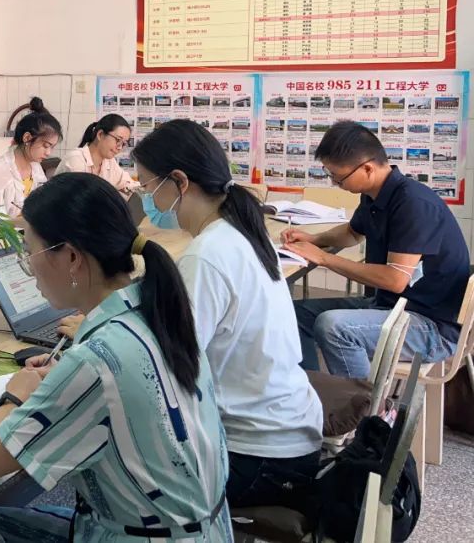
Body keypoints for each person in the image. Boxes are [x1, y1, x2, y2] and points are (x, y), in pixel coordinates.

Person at [0, 173, 231, 543]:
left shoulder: (97, 362)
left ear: (71, 257)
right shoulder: (157, 308)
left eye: (30, 252)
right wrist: (66, 382)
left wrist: (15, 395)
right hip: (202, 529)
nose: (28, 267)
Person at [132, 119, 323, 514]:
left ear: (179, 182)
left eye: (147, 187)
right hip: (290, 432)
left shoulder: (208, 255)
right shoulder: (240, 232)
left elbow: (166, 368)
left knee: (116, 461)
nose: (146, 199)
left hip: (259, 457)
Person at [284, 120, 470, 379]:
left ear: (367, 168)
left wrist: (324, 259)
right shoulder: (375, 194)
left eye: (338, 177)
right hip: (391, 306)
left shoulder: (413, 203)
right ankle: (315, 390)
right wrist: (314, 239)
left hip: (430, 326)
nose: (335, 183)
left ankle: (358, 401)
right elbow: (352, 233)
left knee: (334, 327)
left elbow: (395, 279)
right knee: (294, 313)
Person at [0, 97, 62, 218]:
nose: (48, 153)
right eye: (45, 146)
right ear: (27, 138)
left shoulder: (35, 167)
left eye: (52, 147)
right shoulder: (0, 170)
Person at [54, 113, 139, 199]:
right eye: (118, 140)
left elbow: (127, 183)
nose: (119, 147)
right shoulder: (76, 160)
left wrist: (143, 185)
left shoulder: (109, 162)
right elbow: (82, 200)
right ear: (100, 135)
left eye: (123, 143)